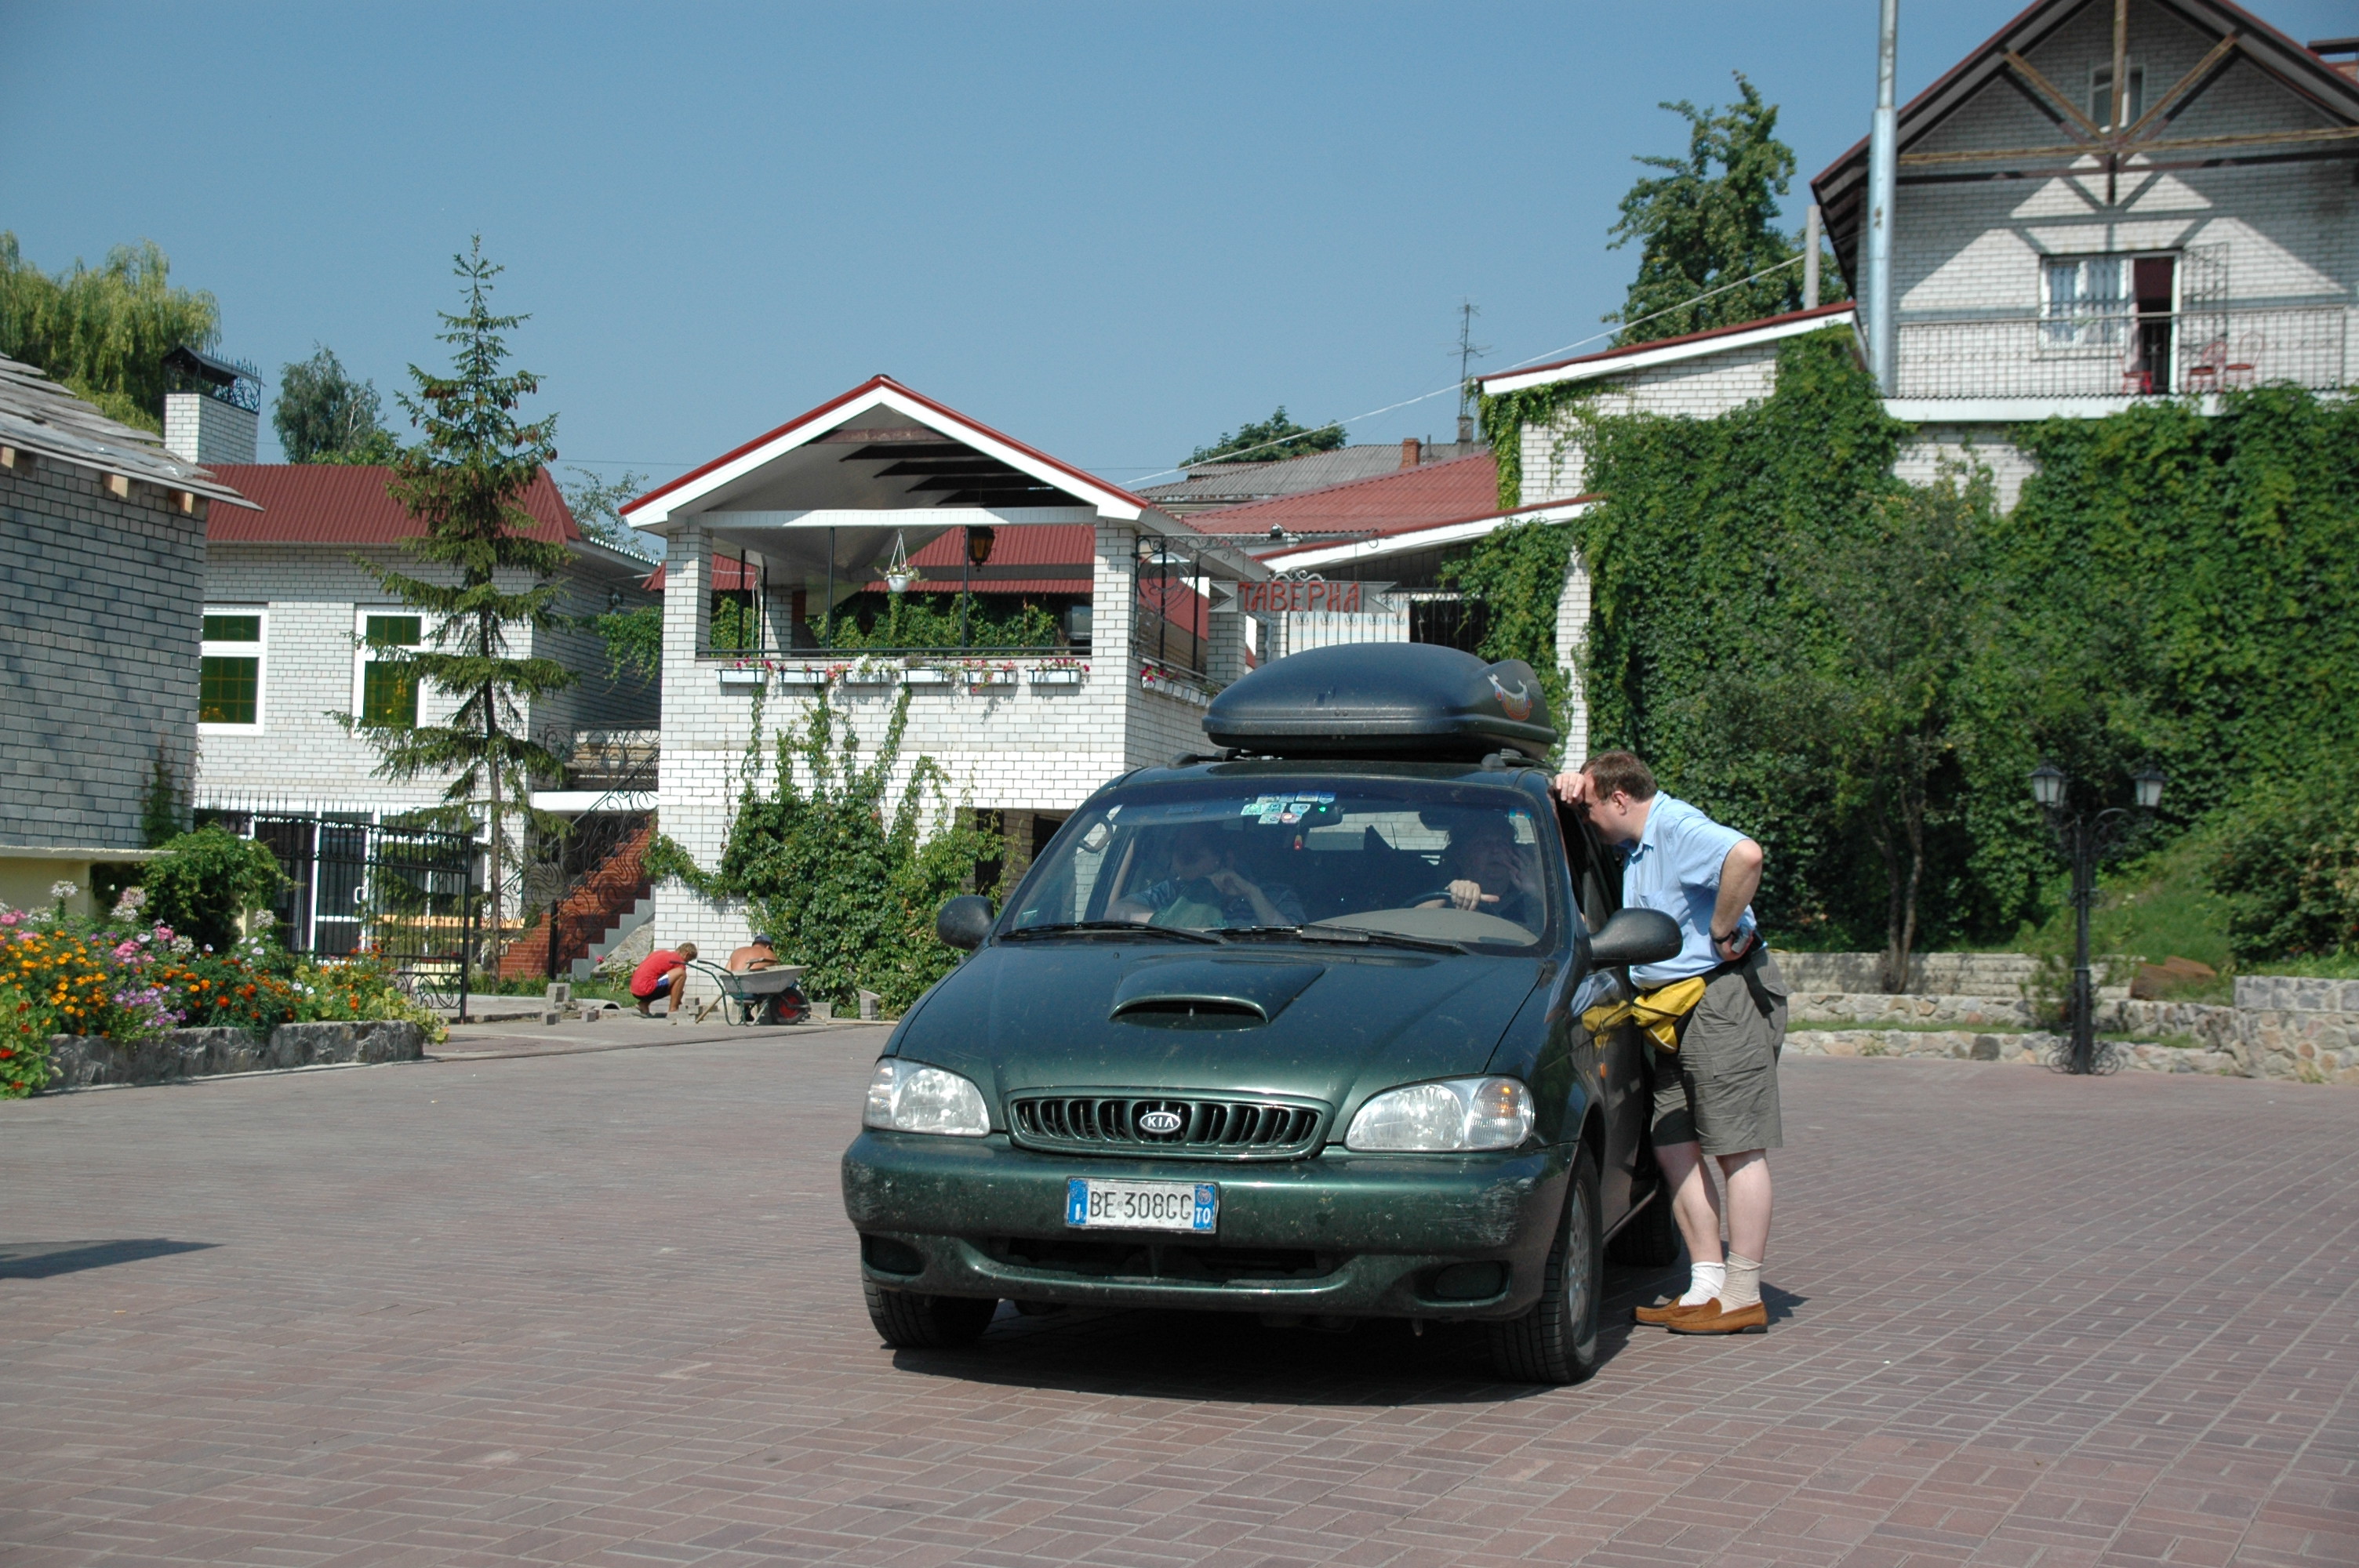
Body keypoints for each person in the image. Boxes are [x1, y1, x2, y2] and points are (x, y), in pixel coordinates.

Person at [1558, 750, 1788, 1336]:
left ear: (1619, 799)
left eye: (1591, 810)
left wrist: (1722, 928)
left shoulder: (1676, 827)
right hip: (1670, 1010)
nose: (1589, 821)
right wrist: (1568, 783)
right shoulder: (1633, 845)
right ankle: (1706, 1285)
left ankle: (1743, 1294)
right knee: (1672, 1143)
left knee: (1737, 1147)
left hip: (1719, 999)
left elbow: (1746, 855)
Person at [1110, 822, 1304, 929]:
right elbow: (1115, 912)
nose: (1182, 861)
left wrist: (1252, 894)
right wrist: (1169, 920)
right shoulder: (1173, 891)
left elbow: (1295, 941)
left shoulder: (1276, 895)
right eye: (1178, 851)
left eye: (1192, 855)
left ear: (1226, 859)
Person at [1416, 814, 1546, 930]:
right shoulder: (1444, 899)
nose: (1495, 850)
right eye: (1484, 844)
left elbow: (1546, 936)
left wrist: (1534, 893)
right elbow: (1412, 926)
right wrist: (1448, 897)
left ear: (1513, 854)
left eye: (1502, 843)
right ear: (1460, 857)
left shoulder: (1529, 899)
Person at [629, 942, 697, 1017]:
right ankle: (673, 1009)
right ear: (686, 954)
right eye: (688, 960)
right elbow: (678, 987)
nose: (687, 962)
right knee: (681, 974)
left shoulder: (661, 953)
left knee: (676, 989)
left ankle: (643, 1005)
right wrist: (679, 1003)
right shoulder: (678, 961)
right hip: (646, 988)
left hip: (635, 988)